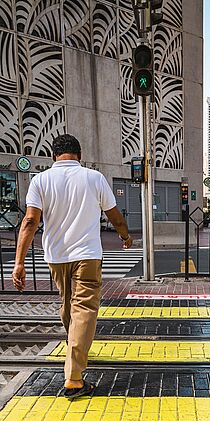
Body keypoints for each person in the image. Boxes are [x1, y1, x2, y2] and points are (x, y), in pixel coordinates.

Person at [12, 134, 133, 399]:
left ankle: (75, 349)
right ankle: (74, 378)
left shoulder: (40, 180)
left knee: (69, 306)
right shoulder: (94, 178)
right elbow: (115, 216)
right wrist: (125, 237)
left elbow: (30, 222)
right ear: (79, 154)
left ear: (54, 155)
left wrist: (19, 263)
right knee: (83, 309)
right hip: (87, 255)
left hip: (56, 256)